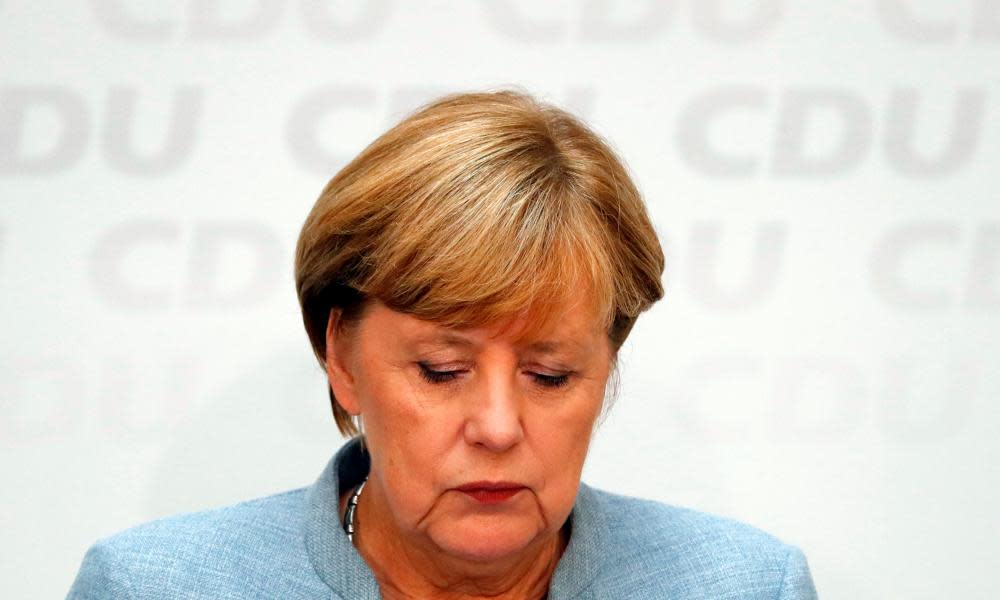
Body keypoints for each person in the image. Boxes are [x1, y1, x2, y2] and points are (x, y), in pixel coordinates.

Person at [67, 89, 818, 599]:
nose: (497, 427)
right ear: (342, 360)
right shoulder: (154, 587)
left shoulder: (742, 586)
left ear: (606, 369)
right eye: (442, 369)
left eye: (550, 375)